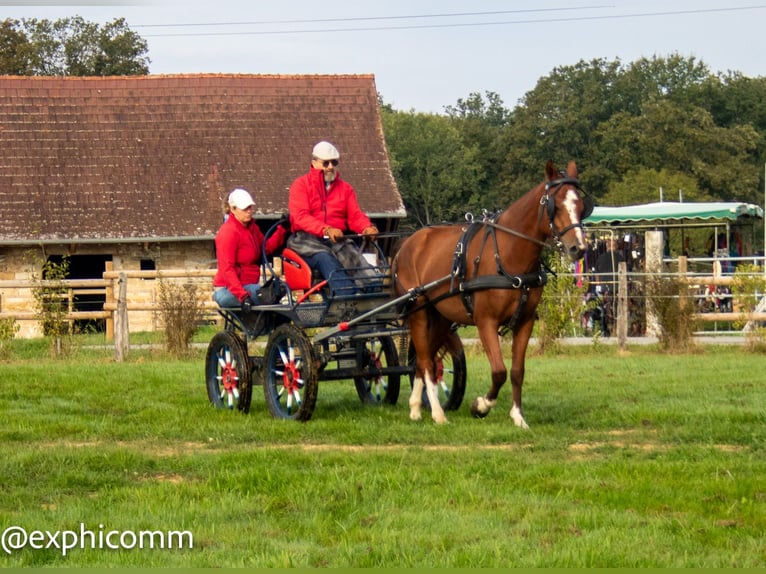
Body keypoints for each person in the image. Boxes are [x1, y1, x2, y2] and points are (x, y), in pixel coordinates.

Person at [287, 140, 378, 294]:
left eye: (334, 162)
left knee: (354, 258)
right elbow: (301, 216)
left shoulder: (345, 189)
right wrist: (326, 229)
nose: (330, 167)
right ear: (314, 163)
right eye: (326, 163)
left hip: (336, 240)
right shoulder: (300, 185)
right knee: (325, 258)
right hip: (306, 240)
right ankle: (348, 296)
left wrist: (366, 227)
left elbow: (355, 215)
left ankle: (373, 291)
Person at [213, 188, 288, 311]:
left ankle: (275, 327)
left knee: (279, 289)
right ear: (233, 209)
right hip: (228, 290)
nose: (249, 211)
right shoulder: (228, 233)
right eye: (245, 208)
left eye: (250, 207)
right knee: (267, 294)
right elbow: (227, 269)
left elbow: (266, 248)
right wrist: (242, 296)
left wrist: (282, 229)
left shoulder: (252, 228)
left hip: (248, 286)